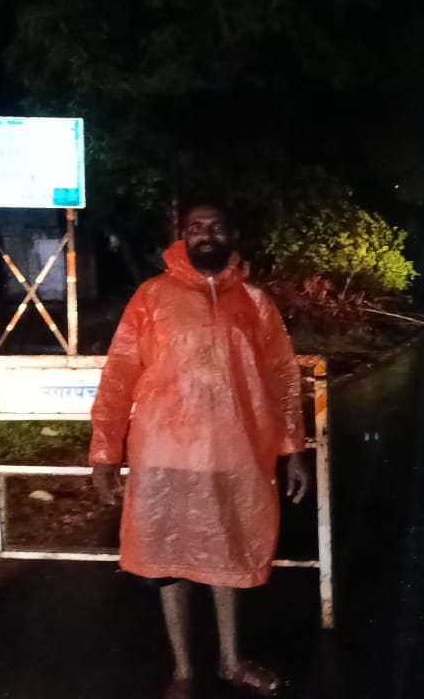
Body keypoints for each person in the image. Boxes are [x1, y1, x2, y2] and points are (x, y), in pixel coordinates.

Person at [89, 199, 309, 698]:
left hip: (235, 452)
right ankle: (184, 670)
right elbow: (120, 372)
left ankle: (231, 661)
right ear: (182, 236)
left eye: (215, 226)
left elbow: (282, 378)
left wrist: (293, 448)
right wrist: (106, 450)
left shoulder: (255, 302)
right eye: (196, 227)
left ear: (232, 235)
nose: (206, 234)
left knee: (227, 549)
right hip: (163, 451)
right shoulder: (152, 297)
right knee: (168, 557)